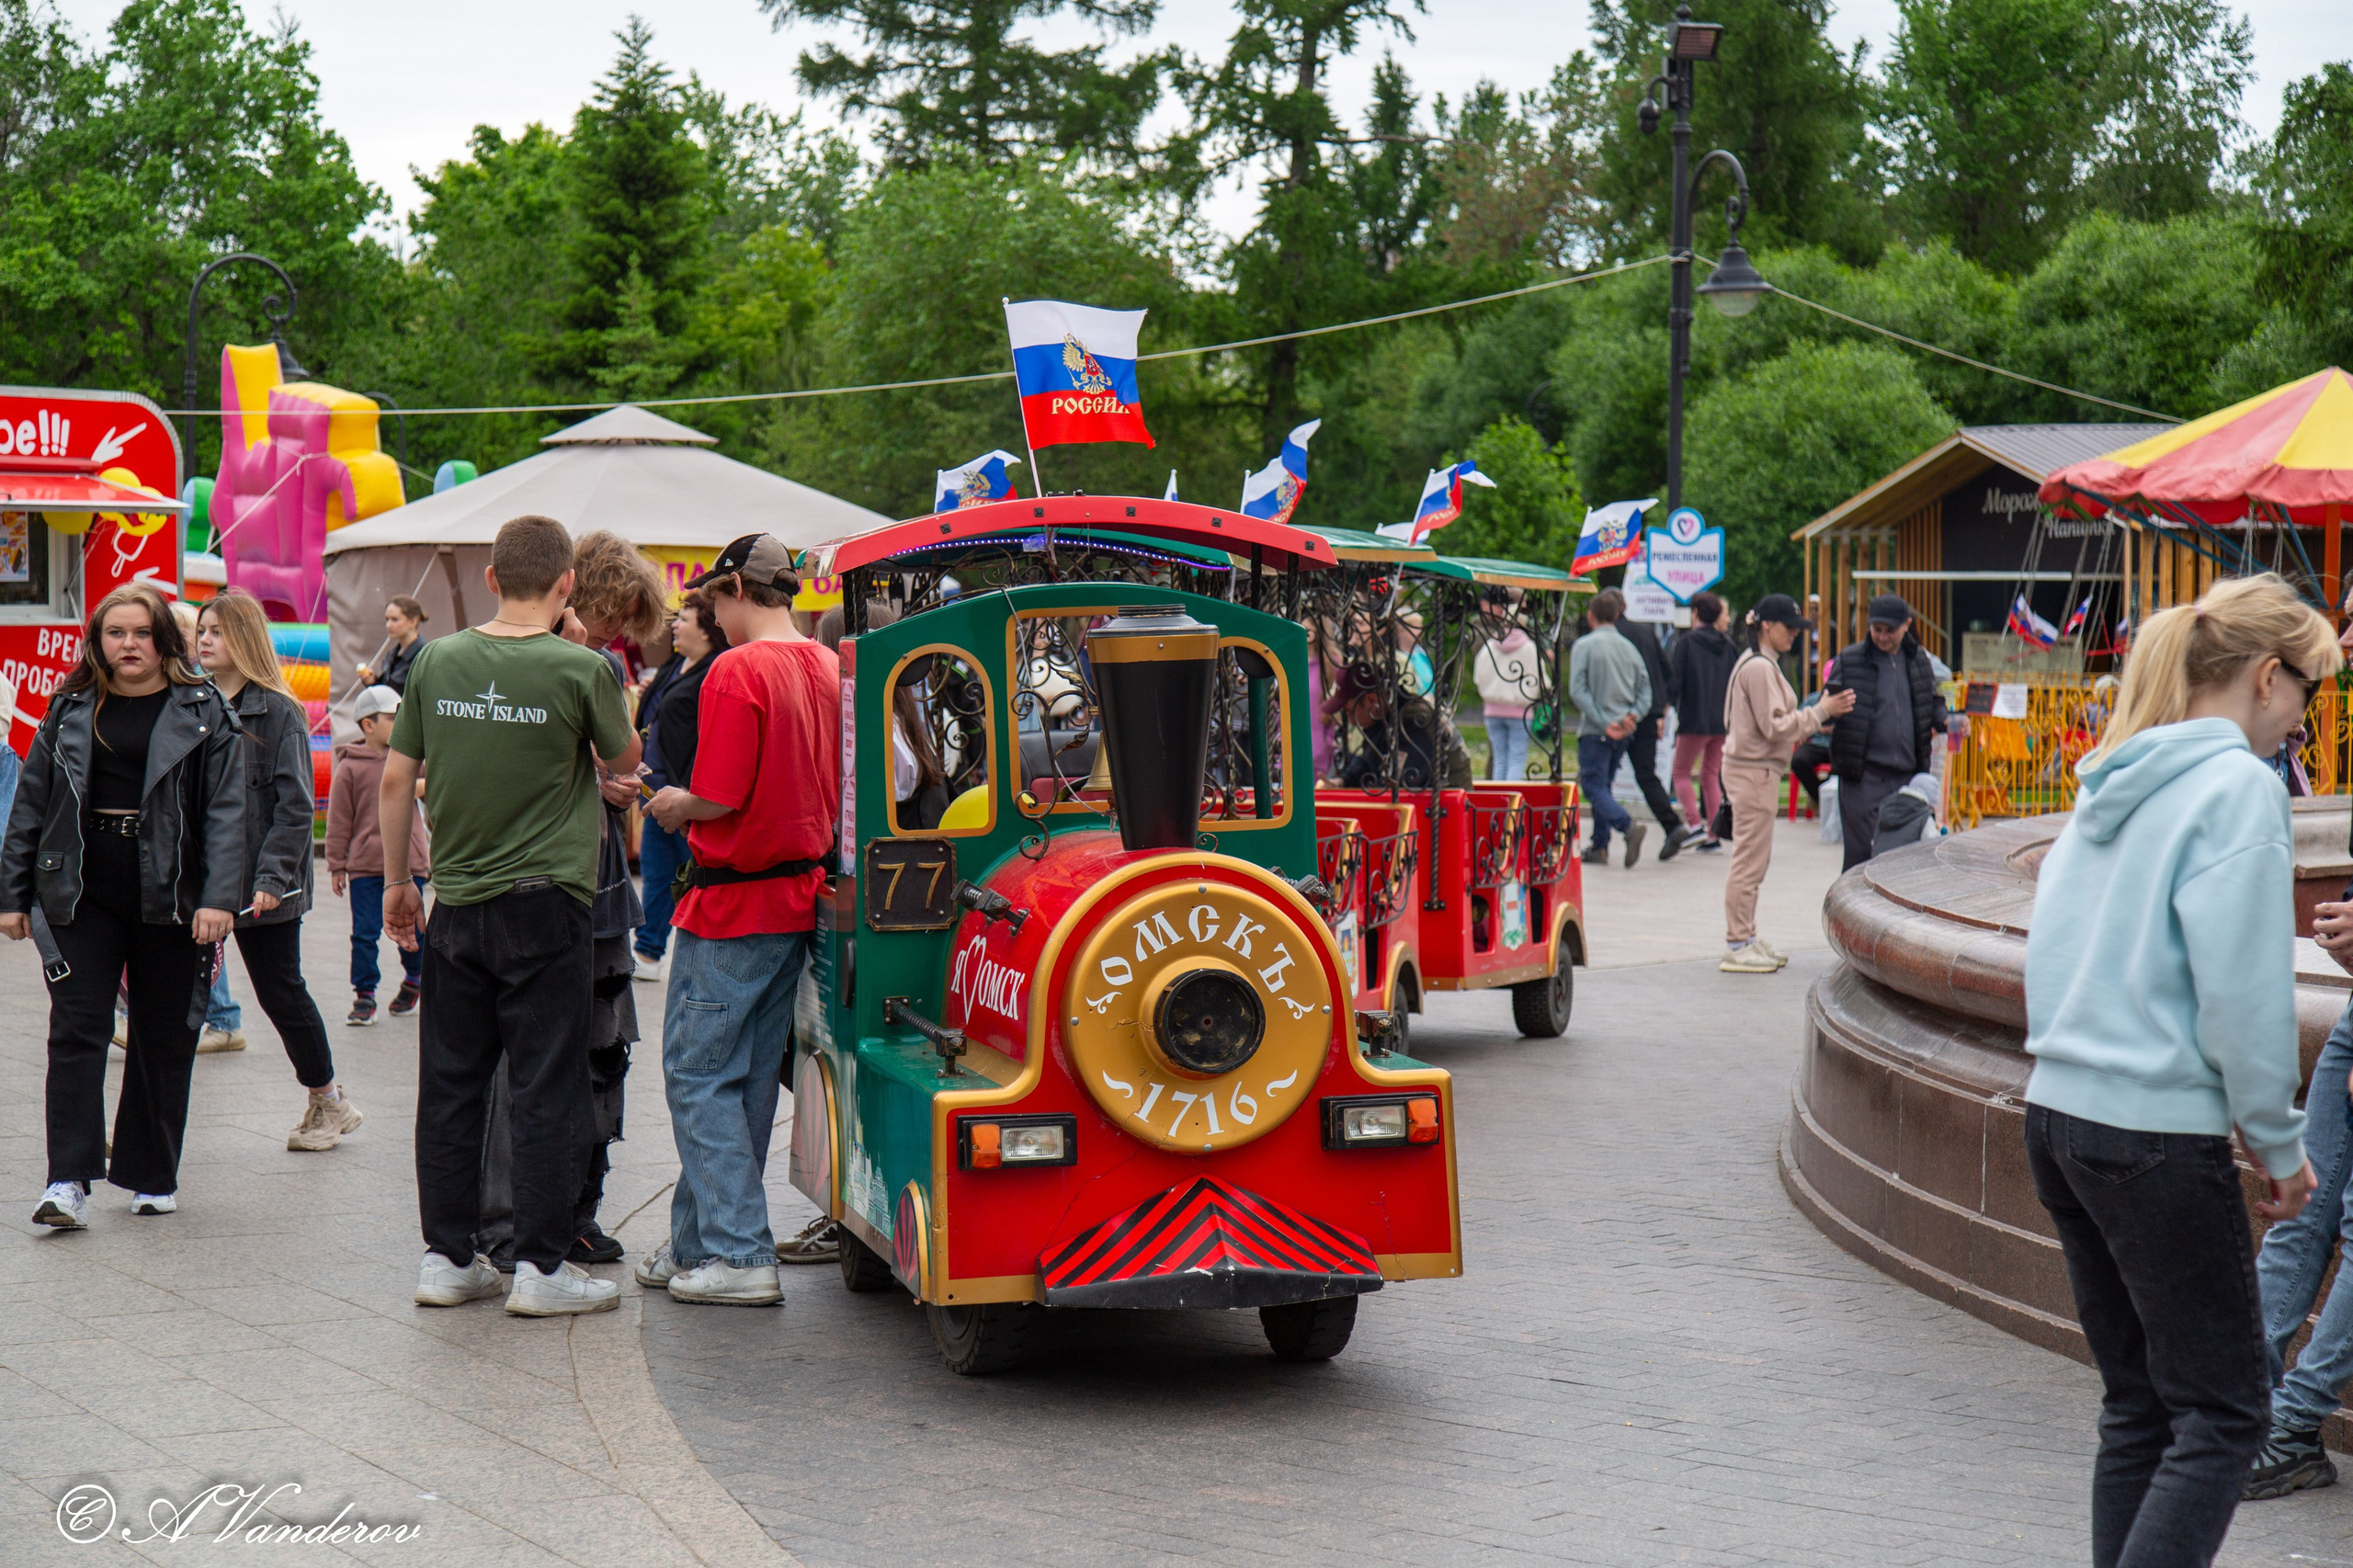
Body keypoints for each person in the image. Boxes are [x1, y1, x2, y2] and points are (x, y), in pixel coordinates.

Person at [2022, 572, 2334, 1564]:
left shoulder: (2112, 775)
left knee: (2141, 1407)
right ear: (2268, 676)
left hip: (2059, 1113)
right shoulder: (2237, 786)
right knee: (2226, 1413)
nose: (2305, 719)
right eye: (2311, 691)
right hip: (2153, 1130)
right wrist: (2279, 1142)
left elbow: (2049, 953)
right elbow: (2244, 990)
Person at [381, 514, 642, 1317]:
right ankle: (540, 1267)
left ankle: (446, 1259)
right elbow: (626, 759)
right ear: (568, 584)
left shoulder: (436, 658)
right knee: (546, 1085)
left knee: (450, 1086)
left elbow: (396, 780)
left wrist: (397, 883)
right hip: (547, 905)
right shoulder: (582, 667)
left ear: (491, 578)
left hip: (456, 901)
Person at [635, 533, 843, 1307]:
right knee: (746, 1080)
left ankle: (737, 1250)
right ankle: (701, 1242)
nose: (709, 617)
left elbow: (718, 798)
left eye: (711, 601)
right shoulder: (826, 663)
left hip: (734, 901)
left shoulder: (737, 669)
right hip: (797, 898)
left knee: (697, 1076)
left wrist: (671, 802)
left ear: (734, 591)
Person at [3, 584, 244, 1227]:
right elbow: (32, 800)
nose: (128, 644)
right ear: (98, 642)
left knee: (164, 1033)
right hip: (82, 889)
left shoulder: (204, 708)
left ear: (163, 640)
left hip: (173, 890)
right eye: (116, 633)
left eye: (141, 633)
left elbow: (227, 810)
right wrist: (12, 893)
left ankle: (151, 1173)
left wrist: (219, 896)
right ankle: (66, 1180)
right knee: (75, 1028)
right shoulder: (71, 705)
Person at [476, 528, 668, 1272]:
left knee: (591, 1053)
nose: (616, 631)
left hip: (588, 887)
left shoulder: (576, 660)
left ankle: (555, 1215)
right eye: (615, 614)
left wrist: (608, 783)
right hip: (567, 887)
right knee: (555, 1057)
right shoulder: (568, 662)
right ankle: (534, 1221)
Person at [196, 589, 360, 1153]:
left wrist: (270, 880)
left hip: (266, 885)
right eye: (202, 631)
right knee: (172, 1001)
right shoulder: (193, 704)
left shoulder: (279, 710)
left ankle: (328, 1099)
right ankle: (145, 1119)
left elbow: (295, 809)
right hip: (204, 881)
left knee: (280, 993)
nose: (205, 640)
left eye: (217, 631)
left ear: (244, 638)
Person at [1721, 596, 1854, 972]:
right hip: (1753, 771)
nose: (1795, 634)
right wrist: (1820, 712)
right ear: (1766, 625)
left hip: (1755, 770)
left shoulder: (1759, 662)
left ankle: (1746, 936)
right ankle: (1737, 942)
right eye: (1789, 627)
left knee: (1754, 860)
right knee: (1749, 862)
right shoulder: (1759, 667)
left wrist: (1810, 720)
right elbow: (1774, 727)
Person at [632, 589, 728, 980]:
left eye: (683, 619)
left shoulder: (715, 672)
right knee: (657, 874)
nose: (674, 625)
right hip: (656, 791)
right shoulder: (676, 665)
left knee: (694, 878)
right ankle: (648, 952)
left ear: (705, 629)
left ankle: (694, 955)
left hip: (686, 795)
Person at [326, 684, 428, 1025]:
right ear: (368, 725)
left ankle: (416, 978)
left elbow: (442, 781)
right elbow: (339, 820)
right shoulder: (350, 768)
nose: (401, 723)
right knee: (364, 934)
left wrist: (417, 786)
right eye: (392, 717)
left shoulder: (413, 759)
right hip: (366, 868)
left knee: (413, 929)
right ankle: (364, 995)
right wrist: (336, 865)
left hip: (410, 863)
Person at [1825, 593, 1948, 872]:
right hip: (1862, 777)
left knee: (1900, 860)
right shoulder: (1851, 660)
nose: (1882, 637)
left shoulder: (1918, 660)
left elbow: (1932, 702)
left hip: (1906, 777)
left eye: (1890, 631)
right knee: (1862, 858)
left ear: (1906, 626)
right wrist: (1828, 709)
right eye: (1876, 629)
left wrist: (1947, 721)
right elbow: (1829, 701)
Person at [1568, 588, 1652, 867]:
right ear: (1616, 616)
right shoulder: (1629, 648)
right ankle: (1600, 845)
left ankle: (1627, 826)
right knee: (1604, 787)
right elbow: (1645, 691)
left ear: (1591, 616)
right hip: (1623, 731)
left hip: (1597, 730)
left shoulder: (1584, 646)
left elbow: (1578, 690)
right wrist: (1632, 716)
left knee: (1593, 787)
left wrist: (1605, 722)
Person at [1328, 662, 1474, 791]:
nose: (1352, 721)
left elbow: (1398, 784)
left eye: (1350, 711)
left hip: (1446, 806)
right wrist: (1343, 780)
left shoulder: (1414, 723)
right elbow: (1369, 760)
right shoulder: (1384, 719)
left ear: (1371, 700)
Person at [1665, 591, 1737, 852]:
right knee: (1710, 775)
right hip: (1721, 721)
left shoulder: (1686, 643)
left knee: (1680, 772)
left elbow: (1675, 680)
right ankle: (1713, 834)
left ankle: (1694, 824)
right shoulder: (1728, 645)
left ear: (1695, 613)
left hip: (1693, 719)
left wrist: (1666, 707)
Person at [1473, 589, 1538, 783]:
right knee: (1516, 759)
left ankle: (1498, 796)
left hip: (1492, 710)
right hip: (1520, 710)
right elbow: (1540, 680)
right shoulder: (1528, 648)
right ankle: (1511, 798)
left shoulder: (1490, 646)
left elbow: (1479, 677)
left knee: (1500, 760)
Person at [356, 596, 428, 694]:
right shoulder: (391, 655)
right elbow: (387, 695)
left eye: (395, 619)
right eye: (387, 619)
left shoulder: (423, 657)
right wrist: (372, 682)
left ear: (413, 621)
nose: (388, 625)